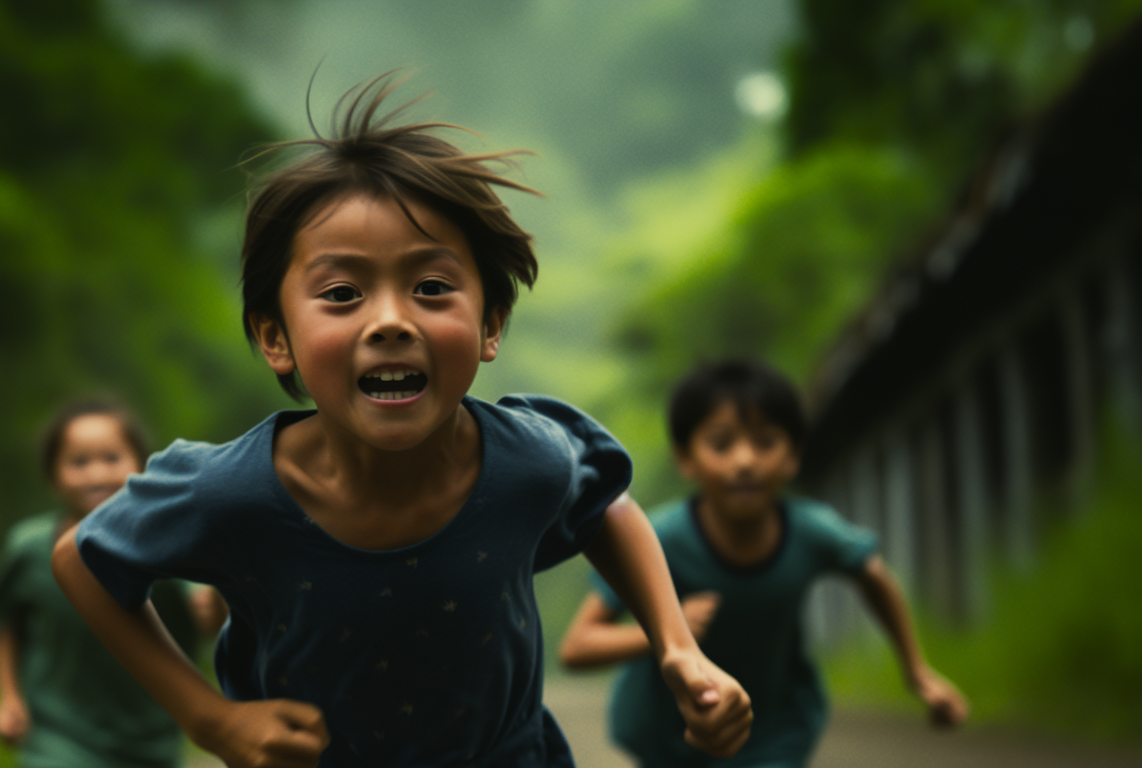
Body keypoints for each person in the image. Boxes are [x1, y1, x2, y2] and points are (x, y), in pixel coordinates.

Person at [49, 73, 753, 768]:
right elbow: (83, 558)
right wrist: (211, 722)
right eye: (342, 293)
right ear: (275, 338)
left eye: (432, 287)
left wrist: (677, 648)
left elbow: (604, 503)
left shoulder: (527, 461)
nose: (390, 320)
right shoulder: (228, 493)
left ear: (489, 323)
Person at [559, 358, 969, 767]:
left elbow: (874, 576)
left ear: (792, 456)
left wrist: (917, 672)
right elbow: (577, 646)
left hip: (772, 732)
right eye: (722, 444)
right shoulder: (657, 539)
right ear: (686, 458)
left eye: (765, 442)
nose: (745, 461)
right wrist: (670, 631)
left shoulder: (812, 532)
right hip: (670, 736)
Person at [0, 398, 208, 768]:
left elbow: (206, 611)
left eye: (111, 458)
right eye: (79, 462)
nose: (97, 475)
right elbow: (2, 621)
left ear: (142, 465)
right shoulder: (27, 549)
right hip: (58, 738)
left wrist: (214, 602)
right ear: (52, 474)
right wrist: (9, 697)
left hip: (151, 742)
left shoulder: (169, 544)